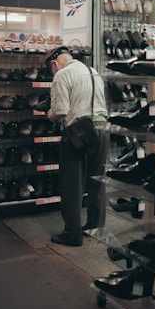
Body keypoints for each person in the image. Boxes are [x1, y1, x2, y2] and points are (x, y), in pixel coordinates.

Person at [46, 46, 109, 247]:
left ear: (54, 64)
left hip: (78, 132)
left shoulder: (62, 75)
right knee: (97, 181)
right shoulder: (93, 71)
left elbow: (61, 111)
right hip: (102, 128)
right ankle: (95, 227)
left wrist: (49, 114)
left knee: (72, 185)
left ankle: (72, 234)